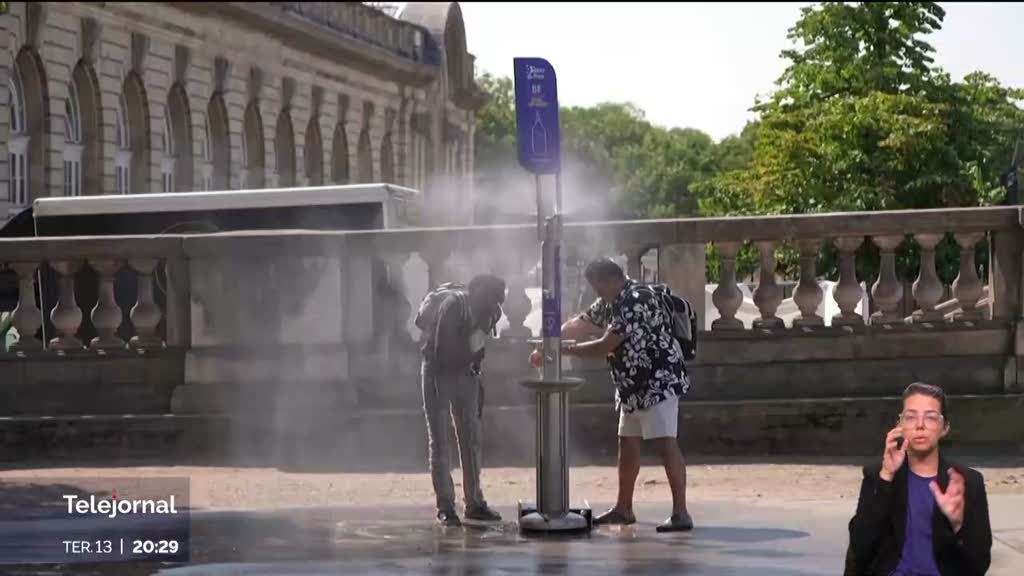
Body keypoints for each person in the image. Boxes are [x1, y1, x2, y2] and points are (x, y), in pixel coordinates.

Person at [532, 258, 692, 532]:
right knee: (627, 444)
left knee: (666, 444)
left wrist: (562, 351)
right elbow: (582, 321)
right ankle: (623, 508)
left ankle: (681, 513)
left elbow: (605, 344)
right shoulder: (612, 300)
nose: (597, 293)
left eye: (597, 287)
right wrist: (549, 341)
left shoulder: (634, 300)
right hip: (632, 386)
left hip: (657, 383)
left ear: (610, 280)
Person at [845, 382, 992, 575]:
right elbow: (860, 546)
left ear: (944, 427)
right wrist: (886, 477)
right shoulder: (877, 475)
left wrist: (958, 524)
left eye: (930, 418)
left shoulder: (967, 482)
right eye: (911, 417)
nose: (920, 425)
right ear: (900, 425)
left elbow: (979, 564)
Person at [417, 274, 507, 527]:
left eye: (496, 302)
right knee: (441, 442)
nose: (492, 306)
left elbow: (479, 348)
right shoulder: (454, 306)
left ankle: (475, 503)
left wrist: (475, 376)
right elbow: (441, 353)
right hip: (438, 373)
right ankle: (446, 507)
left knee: (471, 440)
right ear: (474, 291)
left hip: (466, 373)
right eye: (489, 299)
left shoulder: (492, 312)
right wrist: (468, 363)